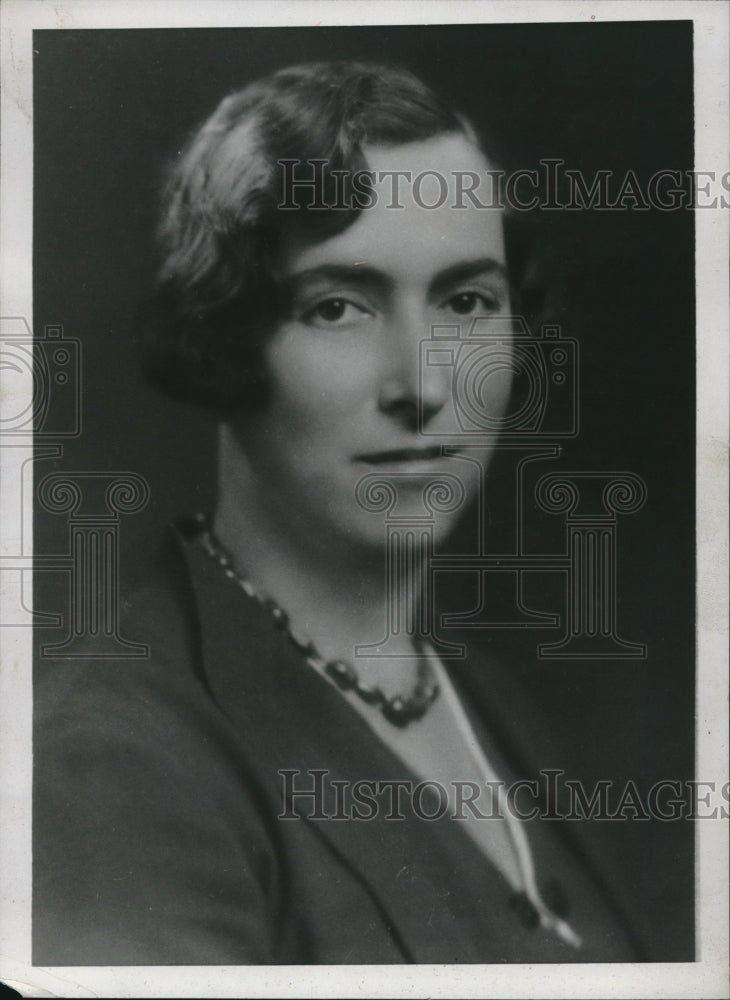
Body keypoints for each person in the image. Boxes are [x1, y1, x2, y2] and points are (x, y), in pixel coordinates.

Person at [34, 60, 656, 965]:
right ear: (218, 333)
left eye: (468, 300)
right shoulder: (112, 767)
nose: (425, 384)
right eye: (338, 307)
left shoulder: (470, 689)